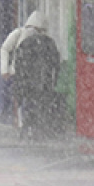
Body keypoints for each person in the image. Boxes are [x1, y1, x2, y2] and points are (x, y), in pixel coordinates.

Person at [11, 12, 60, 140]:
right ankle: (39, 130)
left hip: (28, 82)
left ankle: (27, 128)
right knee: (42, 105)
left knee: (28, 105)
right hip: (44, 82)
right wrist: (53, 81)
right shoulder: (50, 43)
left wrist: (20, 80)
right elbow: (55, 63)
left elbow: (19, 64)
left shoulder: (25, 43)